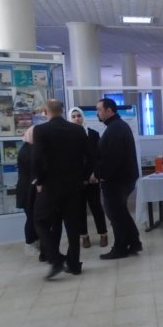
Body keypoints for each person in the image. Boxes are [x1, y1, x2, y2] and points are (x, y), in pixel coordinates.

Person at [32, 99, 89, 279]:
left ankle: (55, 258)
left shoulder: (41, 130)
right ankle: (74, 264)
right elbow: (90, 156)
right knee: (73, 226)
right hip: (74, 186)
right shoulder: (77, 130)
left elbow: (37, 158)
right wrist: (83, 177)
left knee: (40, 221)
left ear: (46, 111)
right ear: (62, 111)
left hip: (51, 186)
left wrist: (39, 181)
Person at [93, 98, 141, 259]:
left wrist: (101, 176)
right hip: (121, 179)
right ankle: (134, 242)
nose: (97, 113)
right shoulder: (117, 126)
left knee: (115, 215)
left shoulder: (116, 129)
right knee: (121, 212)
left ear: (109, 110)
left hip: (116, 181)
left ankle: (120, 248)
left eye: (99, 109)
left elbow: (113, 159)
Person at [68, 107, 109, 249]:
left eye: (79, 116)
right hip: (76, 180)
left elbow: (99, 157)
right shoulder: (67, 136)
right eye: (73, 116)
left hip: (92, 178)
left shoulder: (93, 134)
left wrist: (95, 173)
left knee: (96, 207)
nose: (76, 119)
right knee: (80, 210)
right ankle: (84, 236)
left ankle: (103, 234)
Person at [16, 125, 39, 257]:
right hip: (27, 191)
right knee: (31, 218)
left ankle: (36, 241)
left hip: (29, 189)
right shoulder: (28, 150)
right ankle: (29, 243)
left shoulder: (29, 148)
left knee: (34, 217)